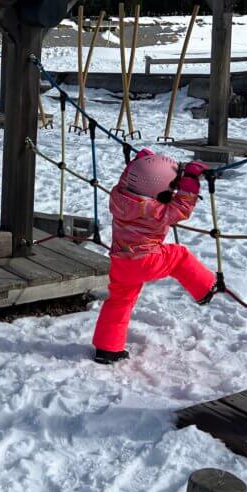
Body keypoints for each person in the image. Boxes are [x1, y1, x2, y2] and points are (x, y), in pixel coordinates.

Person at [92, 149, 216, 364]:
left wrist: (140, 163)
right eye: (172, 186)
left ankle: (107, 348)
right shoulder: (154, 211)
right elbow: (182, 208)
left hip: (120, 262)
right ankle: (204, 288)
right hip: (145, 260)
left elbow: (129, 178)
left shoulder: (118, 195)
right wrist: (190, 181)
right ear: (160, 190)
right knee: (180, 255)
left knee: (119, 301)